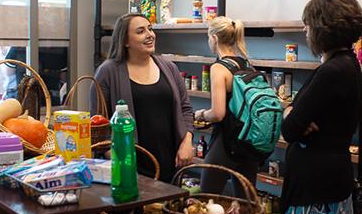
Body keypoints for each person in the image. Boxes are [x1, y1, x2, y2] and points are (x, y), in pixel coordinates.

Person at [278, 0, 362, 214]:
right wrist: (295, 112)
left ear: (321, 28)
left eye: (307, 25)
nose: (305, 31)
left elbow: (290, 129)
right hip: (332, 181)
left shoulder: (331, 71)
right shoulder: (349, 62)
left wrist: (289, 111)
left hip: (315, 189)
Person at [91, 13, 195, 183]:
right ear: (125, 41)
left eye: (150, 29)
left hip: (170, 161)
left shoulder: (169, 68)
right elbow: (98, 121)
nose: (150, 34)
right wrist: (117, 159)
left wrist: (187, 142)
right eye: (140, 31)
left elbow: (185, 109)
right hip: (130, 163)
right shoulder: (108, 71)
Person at [194, 17, 258, 198]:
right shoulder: (248, 65)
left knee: (206, 199)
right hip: (249, 142)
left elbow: (218, 113)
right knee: (247, 205)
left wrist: (201, 114)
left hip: (226, 142)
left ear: (214, 38)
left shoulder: (219, 68)